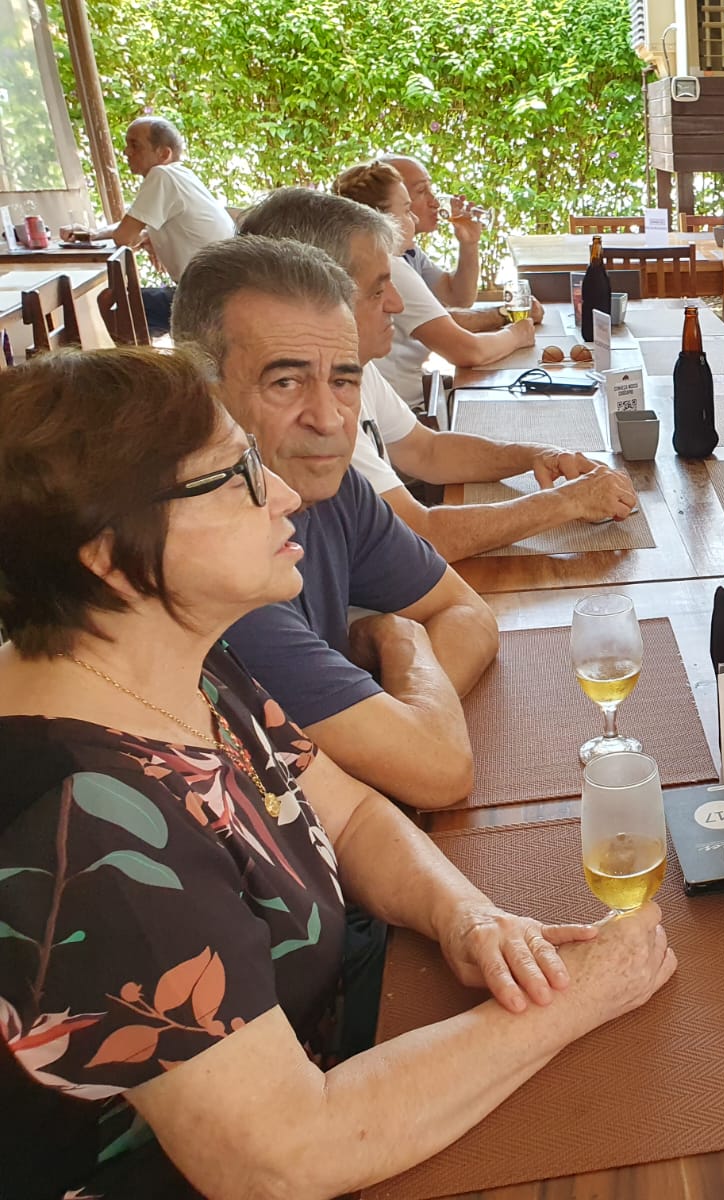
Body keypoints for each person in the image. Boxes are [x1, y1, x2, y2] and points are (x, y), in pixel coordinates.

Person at [0, 346, 675, 1200]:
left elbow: (348, 815)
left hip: (350, 1045)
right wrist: (577, 996)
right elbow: (286, 1156)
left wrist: (465, 915)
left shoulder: (174, 659)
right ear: (106, 554)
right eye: (236, 477)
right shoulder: (85, 826)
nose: (283, 494)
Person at [171, 236, 500, 810]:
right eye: (285, 382)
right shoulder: (213, 567)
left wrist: (401, 714)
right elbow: (437, 768)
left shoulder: (330, 486)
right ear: (202, 393)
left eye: (344, 381)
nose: (329, 419)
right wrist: (402, 644)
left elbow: (469, 614)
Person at [237, 188, 635, 561]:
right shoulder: (309, 414)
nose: (396, 304)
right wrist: (569, 501)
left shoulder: (353, 367)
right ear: (312, 295)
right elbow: (418, 536)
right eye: (377, 291)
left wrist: (535, 455)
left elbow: (426, 450)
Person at [334, 160, 535, 408]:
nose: (415, 218)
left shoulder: (396, 258)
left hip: (408, 400)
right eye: (407, 209)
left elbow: (457, 298)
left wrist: (469, 244)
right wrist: (518, 333)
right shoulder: (389, 267)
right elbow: (468, 351)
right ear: (380, 219)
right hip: (412, 407)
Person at [73, 116, 234, 335]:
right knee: (127, 303)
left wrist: (141, 236)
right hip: (223, 292)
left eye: (135, 145)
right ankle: (147, 353)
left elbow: (124, 236)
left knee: (110, 300)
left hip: (206, 300)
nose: (126, 152)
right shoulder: (181, 174)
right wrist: (94, 234)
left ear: (164, 154)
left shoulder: (161, 175)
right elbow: (136, 227)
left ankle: (139, 356)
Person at [380, 152, 542, 323]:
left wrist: (469, 244)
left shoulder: (410, 253)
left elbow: (457, 299)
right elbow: (436, 324)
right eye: (421, 191)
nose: (435, 202)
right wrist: (509, 313)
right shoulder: (386, 261)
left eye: (431, 189)